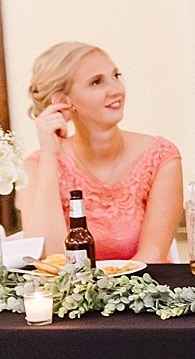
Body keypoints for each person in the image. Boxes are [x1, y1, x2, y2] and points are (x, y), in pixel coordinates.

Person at [20, 42, 183, 262]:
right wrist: (49, 156)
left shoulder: (162, 157)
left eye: (116, 76)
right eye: (96, 82)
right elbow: (49, 259)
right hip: (71, 284)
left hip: (146, 282)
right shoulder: (36, 167)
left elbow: (152, 255)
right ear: (64, 102)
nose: (116, 90)